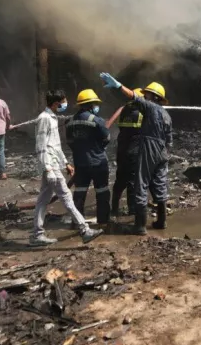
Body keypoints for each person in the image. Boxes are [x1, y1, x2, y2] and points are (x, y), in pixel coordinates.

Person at [100, 74, 172, 235]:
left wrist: (118, 86)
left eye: (147, 94)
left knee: (141, 183)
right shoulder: (167, 115)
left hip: (150, 146)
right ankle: (161, 221)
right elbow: (170, 139)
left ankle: (139, 226)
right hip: (162, 151)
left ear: (154, 97)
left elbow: (133, 96)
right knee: (159, 184)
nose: (144, 96)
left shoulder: (150, 107)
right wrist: (165, 155)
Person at [32, 89, 103, 246]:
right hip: (51, 166)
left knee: (43, 200)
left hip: (54, 164)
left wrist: (66, 163)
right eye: (63, 102)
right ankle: (84, 230)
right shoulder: (44, 118)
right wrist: (48, 169)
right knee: (66, 196)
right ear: (56, 103)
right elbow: (41, 146)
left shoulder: (52, 118)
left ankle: (37, 235)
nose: (65, 104)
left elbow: (55, 145)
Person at [65, 89, 111, 225]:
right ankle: (103, 221)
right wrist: (97, 148)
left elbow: (70, 142)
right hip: (98, 162)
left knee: (79, 192)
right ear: (91, 105)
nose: (96, 106)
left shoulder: (70, 121)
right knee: (102, 191)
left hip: (80, 163)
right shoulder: (97, 120)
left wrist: (80, 151)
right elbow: (107, 138)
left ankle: (77, 222)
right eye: (95, 104)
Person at [108, 88, 144, 217]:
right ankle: (132, 210)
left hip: (122, 150)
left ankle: (114, 209)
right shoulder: (142, 112)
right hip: (134, 151)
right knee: (133, 182)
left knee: (120, 180)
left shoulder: (124, 110)